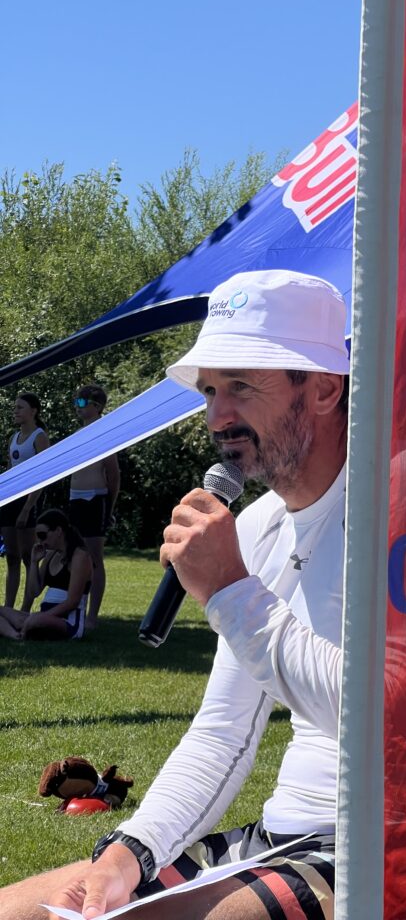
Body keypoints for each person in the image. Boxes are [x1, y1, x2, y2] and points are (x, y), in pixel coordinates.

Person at [0, 269, 348, 920]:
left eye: (241, 385)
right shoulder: (257, 527)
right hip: (275, 841)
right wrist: (129, 851)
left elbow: (392, 721)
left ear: (325, 387)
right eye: (210, 390)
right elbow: (224, 733)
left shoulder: (403, 506)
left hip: (374, 846)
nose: (217, 416)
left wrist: (230, 591)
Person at [68, 384, 120, 630]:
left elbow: (113, 474)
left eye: (81, 402)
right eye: (76, 402)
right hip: (75, 498)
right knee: (76, 556)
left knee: (94, 558)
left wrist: (108, 507)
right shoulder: (80, 432)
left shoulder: (103, 431)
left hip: (94, 499)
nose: (77, 406)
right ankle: (75, 607)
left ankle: (92, 616)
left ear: (96, 406)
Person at [0, 508, 92, 641]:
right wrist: (34, 562)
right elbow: (34, 592)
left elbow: (72, 602)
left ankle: (23, 629)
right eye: (38, 537)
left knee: (36, 620)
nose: (40, 541)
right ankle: (16, 636)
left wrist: (41, 616)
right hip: (44, 617)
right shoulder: (51, 555)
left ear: (58, 531)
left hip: (68, 622)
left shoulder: (80, 556)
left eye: (42, 535)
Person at [0, 393, 50, 609]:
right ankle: (8, 608)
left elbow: (44, 475)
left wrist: (27, 508)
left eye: (20, 407)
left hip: (29, 501)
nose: (16, 411)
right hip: (10, 501)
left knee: (28, 557)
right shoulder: (14, 437)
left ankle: (25, 609)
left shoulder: (39, 436)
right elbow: (10, 470)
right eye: (15, 407)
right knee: (11, 556)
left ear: (34, 411)